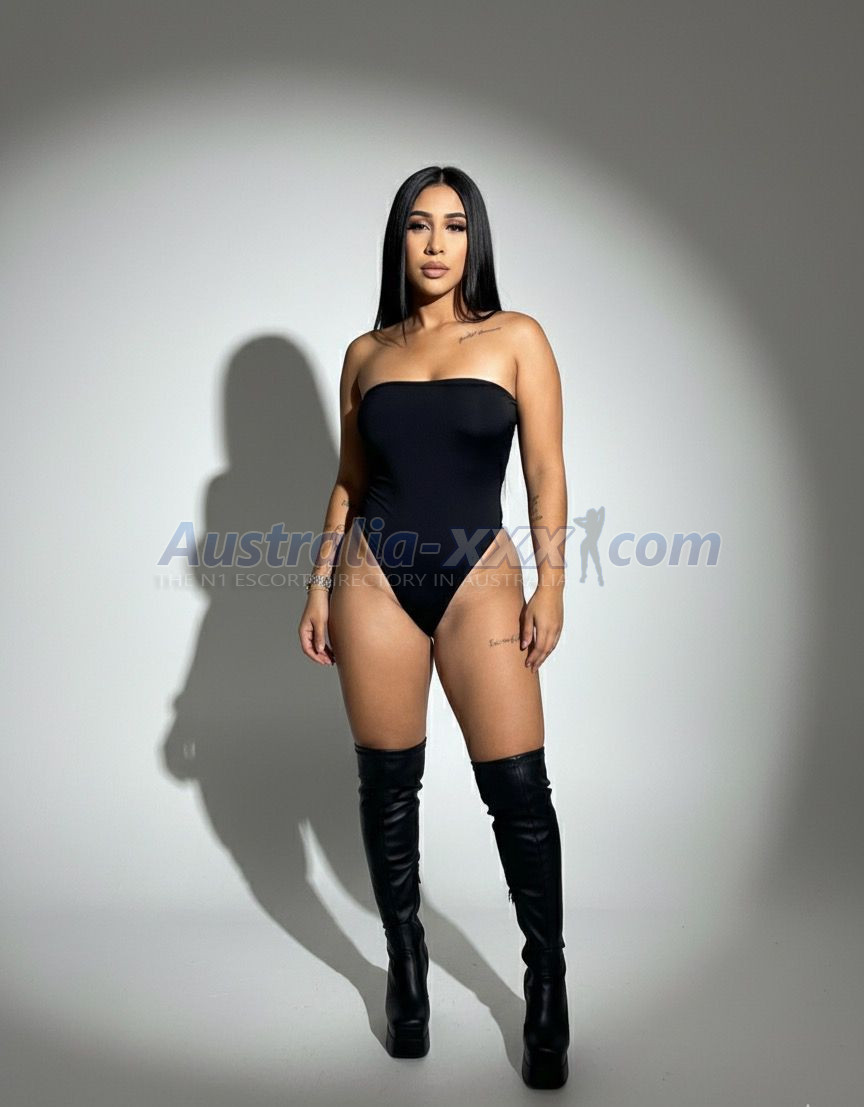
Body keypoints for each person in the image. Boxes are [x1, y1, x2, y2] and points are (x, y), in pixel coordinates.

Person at [297, 165, 569, 1089]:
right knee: (388, 787)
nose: (437, 242)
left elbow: (546, 470)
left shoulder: (517, 337)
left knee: (518, 790)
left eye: (455, 225)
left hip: (479, 576)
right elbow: (348, 477)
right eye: (420, 225)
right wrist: (317, 584)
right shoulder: (364, 353)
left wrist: (552, 585)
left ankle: (545, 980)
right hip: (372, 577)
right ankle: (405, 963)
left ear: (475, 240)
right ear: (400, 240)